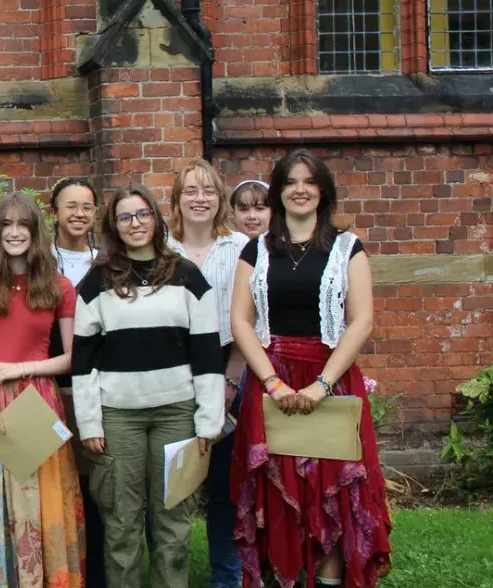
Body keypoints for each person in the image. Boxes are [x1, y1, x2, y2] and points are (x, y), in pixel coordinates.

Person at [230, 150, 391, 588]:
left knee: (333, 495)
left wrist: (323, 384)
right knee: (278, 495)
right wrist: (272, 382)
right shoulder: (255, 250)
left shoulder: (348, 247)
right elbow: (240, 322)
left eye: (309, 181)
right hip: (272, 379)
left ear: (323, 190)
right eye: (290, 182)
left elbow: (361, 322)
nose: (300, 189)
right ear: (279, 192)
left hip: (331, 381)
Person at [71, 185, 224, 588]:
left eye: (142, 214)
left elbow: (208, 353)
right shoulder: (97, 282)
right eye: (124, 217)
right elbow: (83, 361)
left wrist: (209, 421)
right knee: (120, 523)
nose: (135, 224)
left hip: (176, 414)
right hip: (119, 417)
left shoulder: (187, 275)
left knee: (172, 521)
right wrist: (89, 424)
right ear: (113, 226)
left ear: (156, 219)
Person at [0, 192, 84, 586]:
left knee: (39, 504)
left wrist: (21, 368)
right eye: (5, 224)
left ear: (36, 230)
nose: (14, 232)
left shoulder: (58, 286)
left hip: (37, 401)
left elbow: (73, 357)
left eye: (22, 224)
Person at [165, 159, 251, 588]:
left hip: (228, 366)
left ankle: (226, 574)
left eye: (209, 191)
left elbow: (250, 321)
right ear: (177, 200)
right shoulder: (161, 250)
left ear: (220, 199)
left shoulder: (242, 249)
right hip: (173, 372)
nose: (200, 199)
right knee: (173, 483)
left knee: (224, 485)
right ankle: (170, 572)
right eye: (190, 192)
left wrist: (232, 383)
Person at [45, 176, 106, 587]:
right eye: (70, 206)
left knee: (97, 490)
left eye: (86, 206)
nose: (79, 214)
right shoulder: (38, 262)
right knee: (58, 490)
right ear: (54, 213)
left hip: (101, 392)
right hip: (51, 388)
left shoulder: (109, 261)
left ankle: (97, 576)